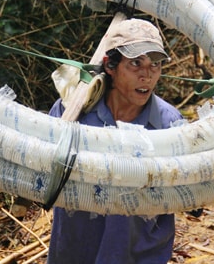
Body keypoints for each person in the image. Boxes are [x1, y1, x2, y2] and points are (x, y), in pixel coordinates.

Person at [47, 18, 183, 264]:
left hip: (138, 256)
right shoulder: (73, 112)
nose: (147, 75)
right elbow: (43, 171)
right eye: (135, 64)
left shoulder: (168, 124)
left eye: (156, 65)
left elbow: (192, 194)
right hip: (76, 251)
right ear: (110, 65)